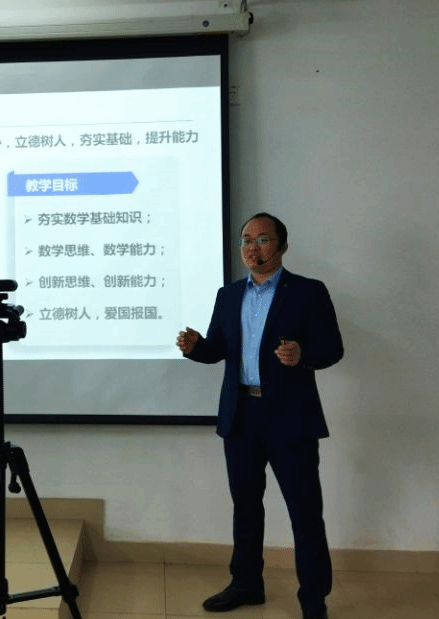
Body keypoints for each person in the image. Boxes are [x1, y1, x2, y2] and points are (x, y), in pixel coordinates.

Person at [176, 213, 343, 619]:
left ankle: (313, 599)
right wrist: (196, 347)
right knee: (246, 507)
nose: (253, 247)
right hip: (241, 416)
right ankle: (246, 583)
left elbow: (332, 348)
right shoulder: (229, 295)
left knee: (304, 512)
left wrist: (302, 354)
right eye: (246, 239)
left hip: (290, 418)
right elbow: (219, 349)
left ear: (282, 246)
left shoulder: (308, 292)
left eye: (263, 239)